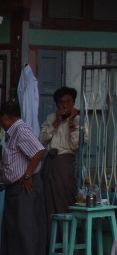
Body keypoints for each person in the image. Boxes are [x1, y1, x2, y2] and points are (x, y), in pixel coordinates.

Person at [0, 100, 47, 255]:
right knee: (14, 228)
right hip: (13, 187)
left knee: (26, 228)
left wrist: (27, 175)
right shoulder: (11, 134)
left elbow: (38, 151)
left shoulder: (21, 130)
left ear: (6, 118)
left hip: (25, 186)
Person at [40, 86, 81, 226]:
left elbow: (76, 145)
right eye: (61, 102)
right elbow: (41, 140)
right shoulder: (51, 118)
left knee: (64, 200)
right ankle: (49, 242)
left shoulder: (78, 120)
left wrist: (70, 124)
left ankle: (65, 241)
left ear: (73, 102)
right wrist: (56, 122)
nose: (64, 105)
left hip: (64, 164)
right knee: (47, 202)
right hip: (49, 162)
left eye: (68, 102)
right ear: (56, 104)